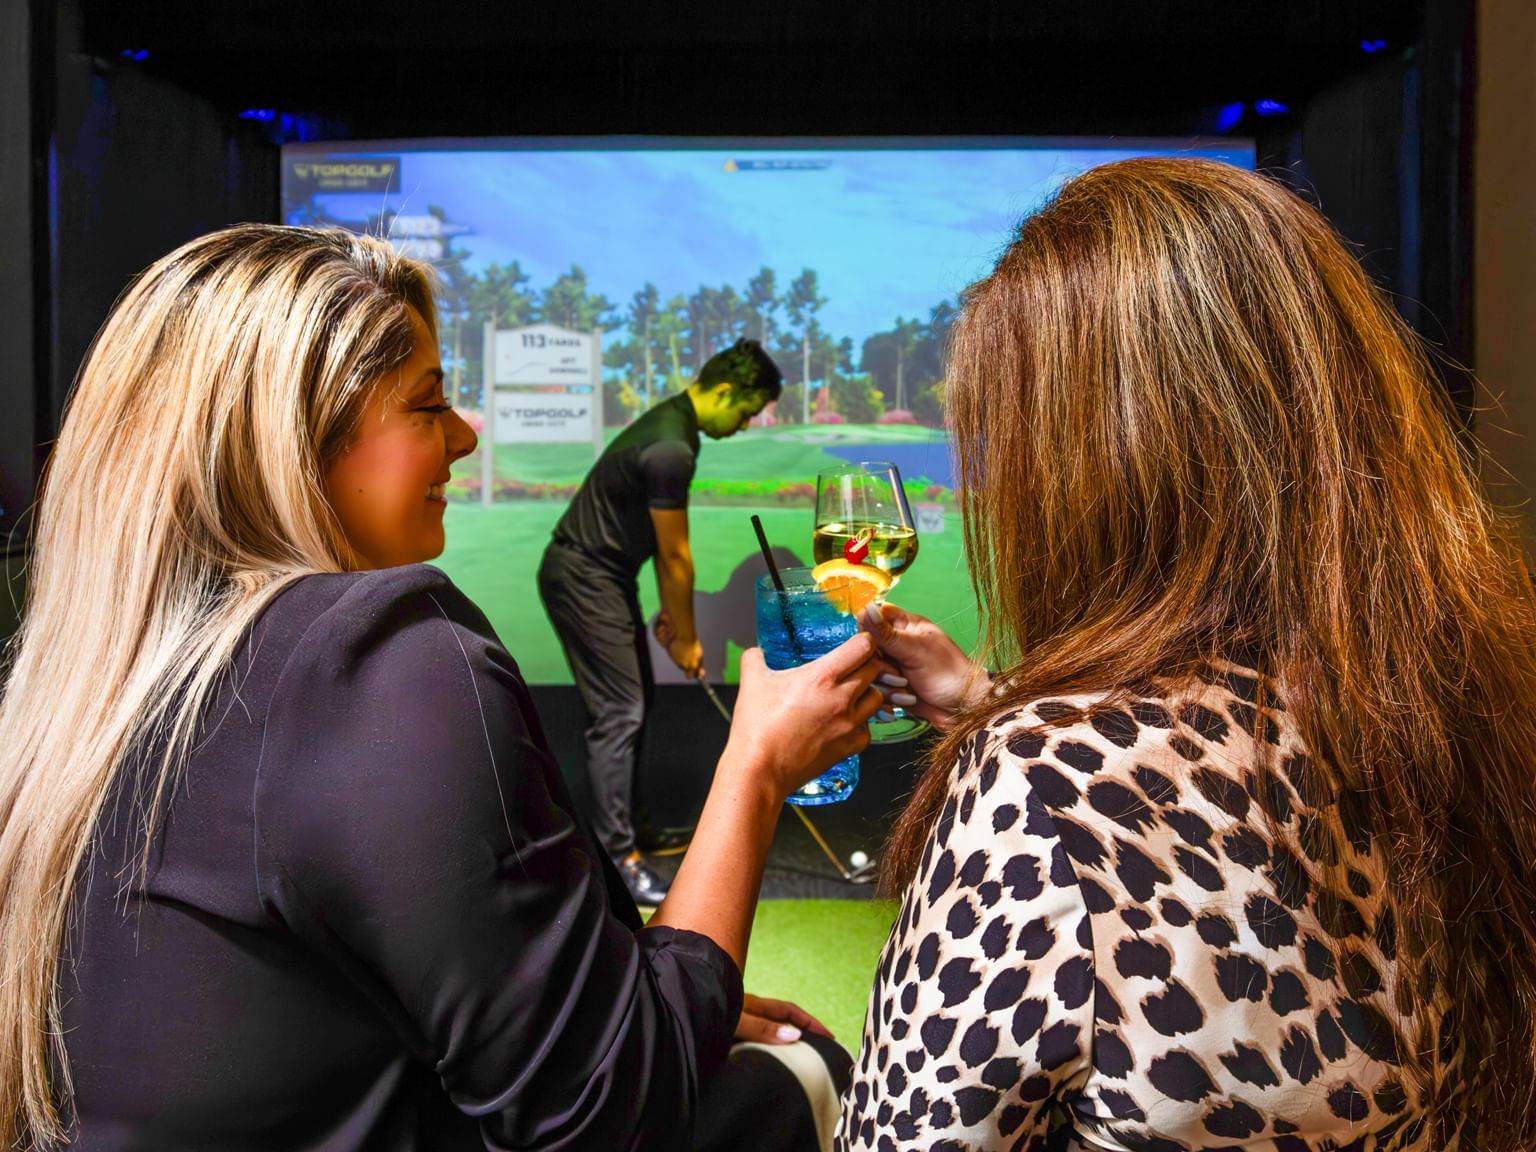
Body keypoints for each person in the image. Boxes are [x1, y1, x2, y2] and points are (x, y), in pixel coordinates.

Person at [0, 225, 886, 1151]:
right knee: (811, 1072)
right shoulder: (379, 661)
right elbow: (607, 1121)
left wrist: (661, 1001)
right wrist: (755, 767)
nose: (466, 435)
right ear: (296, 446)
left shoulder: (106, 681)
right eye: (427, 406)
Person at [835, 158, 1536, 1151]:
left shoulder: (1041, 790)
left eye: (1007, 444)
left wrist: (1024, 741)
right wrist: (993, 702)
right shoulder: (1466, 703)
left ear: (1091, 463)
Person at [538, 338, 784, 905]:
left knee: (633, 699)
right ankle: (618, 857)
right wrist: (690, 637)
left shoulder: (675, 429)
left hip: (605, 573)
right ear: (724, 391)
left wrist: (674, 618)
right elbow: (676, 557)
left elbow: (647, 540)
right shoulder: (672, 446)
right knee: (620, 710)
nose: (745, 425)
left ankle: (632, 828)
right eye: (745, 412)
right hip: (583, 575)